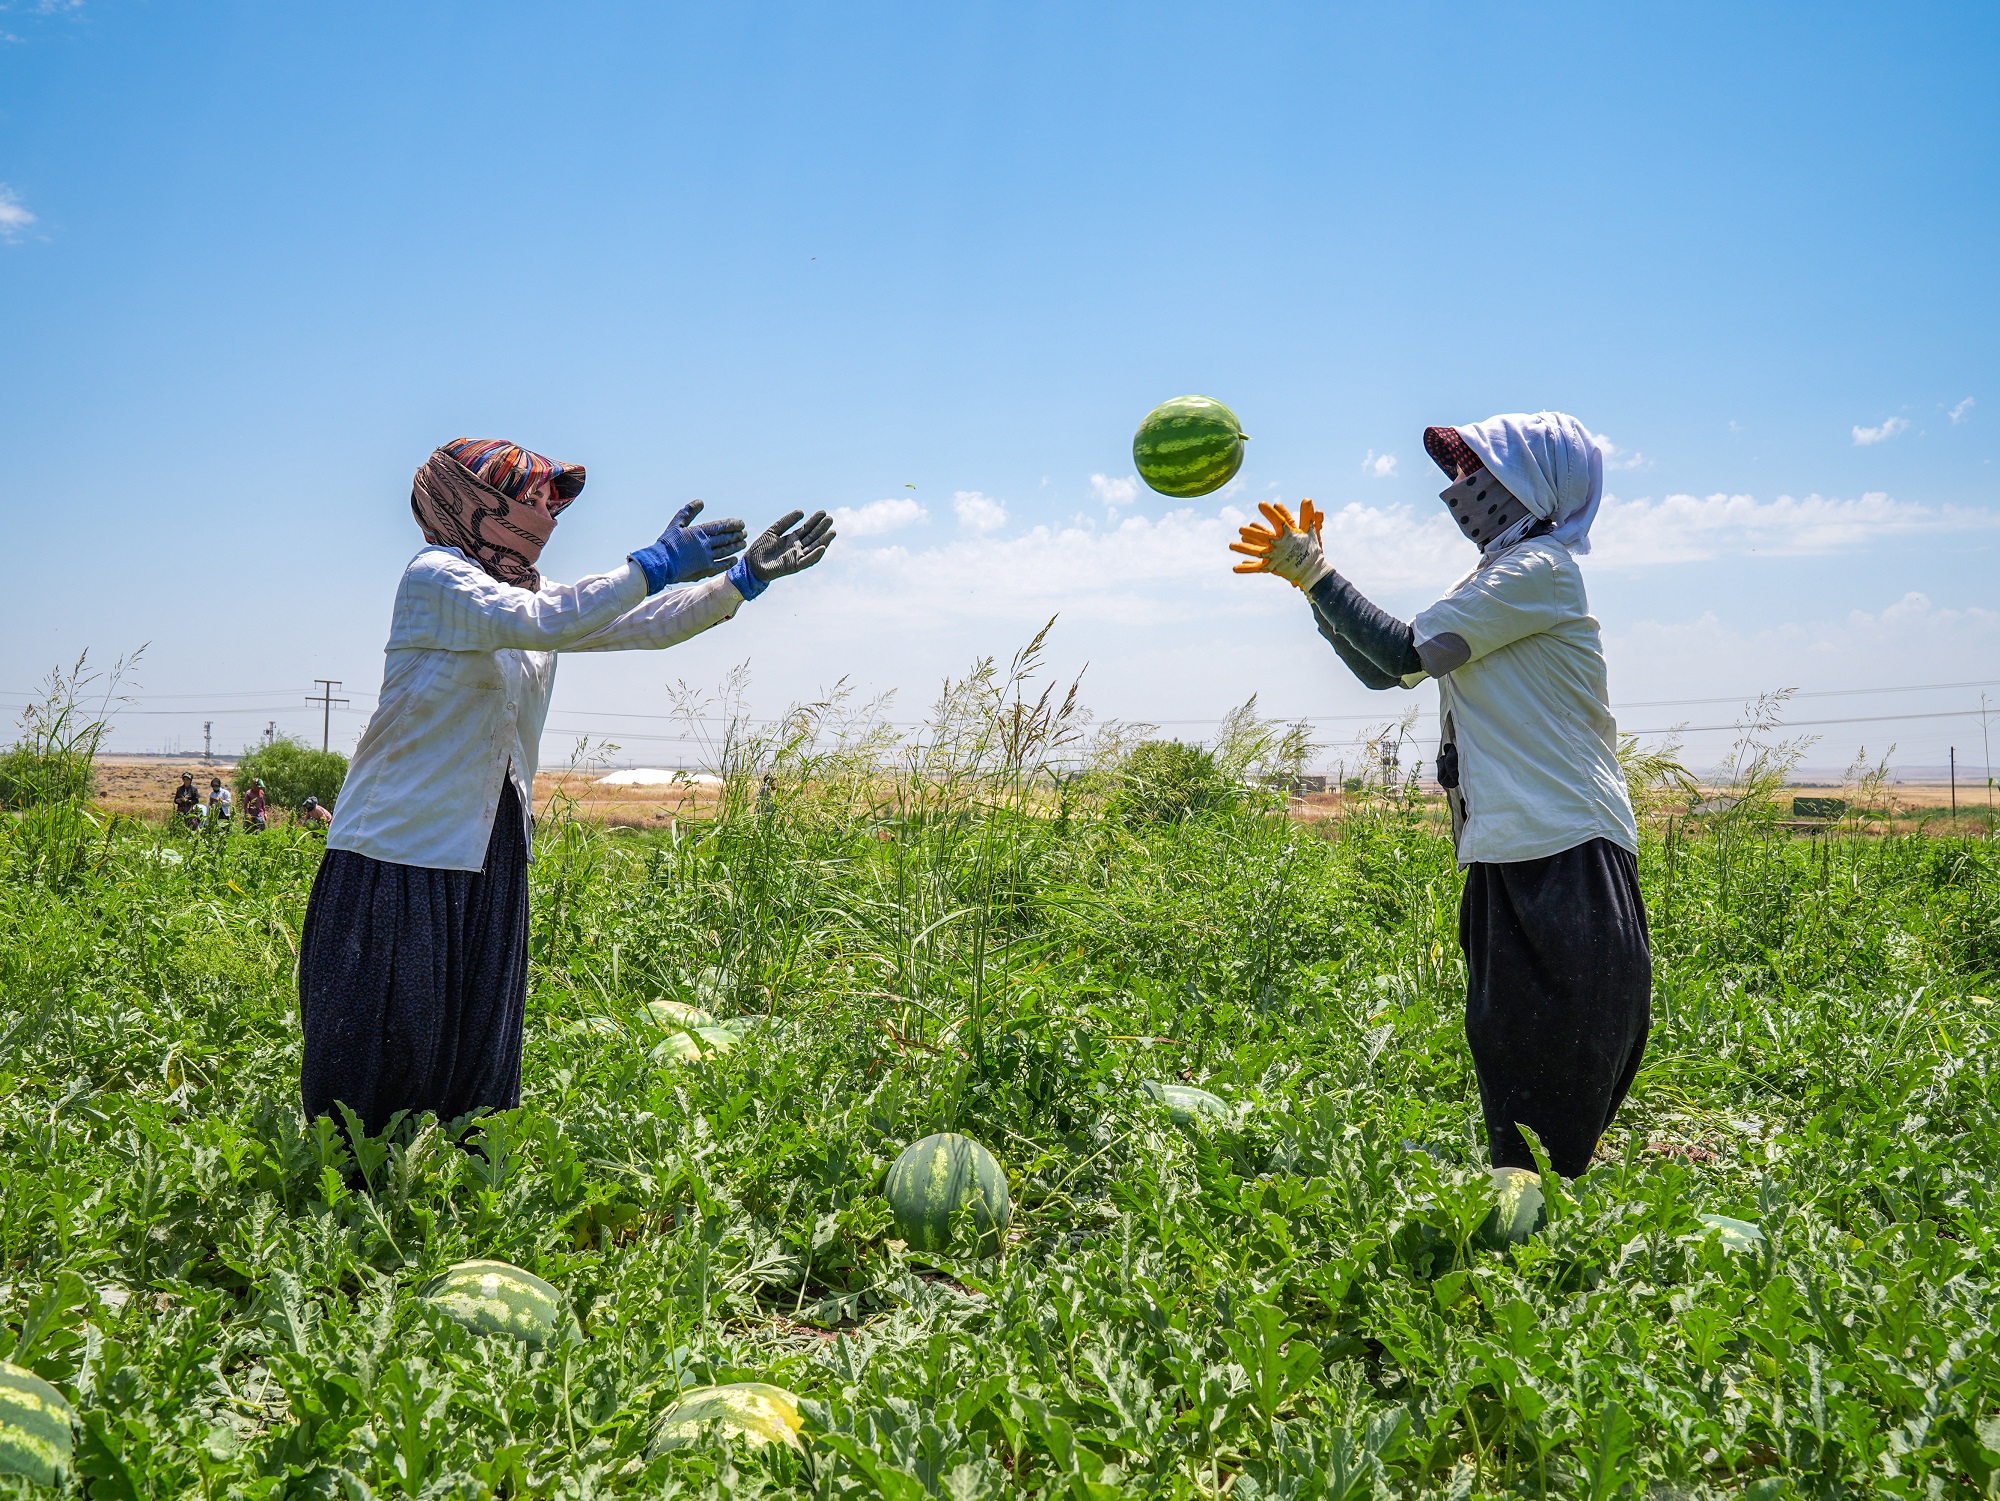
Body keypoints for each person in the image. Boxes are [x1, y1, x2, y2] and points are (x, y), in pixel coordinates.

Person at [298, 436, 836, 1140]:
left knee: (473, 1043)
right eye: (528, 500)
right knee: (383, 1050)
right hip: (400, 845)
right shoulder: (435, 578)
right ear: (469, 503)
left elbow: (640, 624)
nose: (545, 517)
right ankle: (349, 1201)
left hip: (487, 841)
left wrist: (738, 582)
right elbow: (546, 622)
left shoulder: (530, 594)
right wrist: (654, 564)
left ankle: (464, 1186)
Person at [1231, 411, 1645, 1180]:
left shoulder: (1542, 571)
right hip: (1504, 844)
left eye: (1475, 471)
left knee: (1562, 1049)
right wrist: (1312, 589)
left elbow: (1400, 650)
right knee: (1505, 1037)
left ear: (1532, 483)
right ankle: (1519, 1206)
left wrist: (1322, 578)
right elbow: (1385, 671)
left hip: (1566, 843)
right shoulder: (1491, 579)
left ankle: (1547, 1223)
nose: (1460, 488)